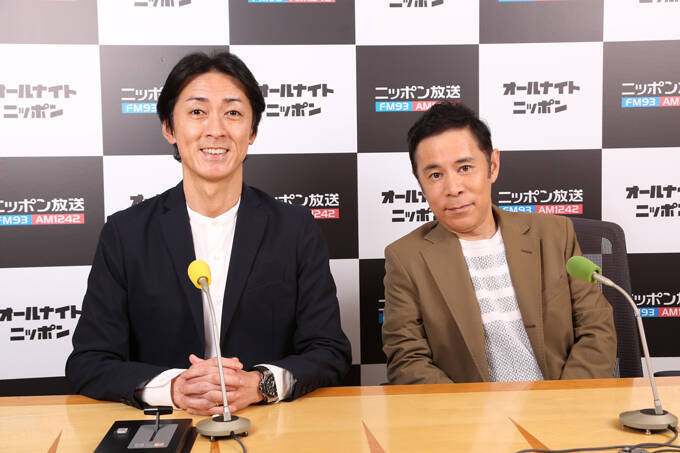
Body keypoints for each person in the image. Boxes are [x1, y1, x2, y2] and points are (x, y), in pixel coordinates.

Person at [66, 52, 351, 415]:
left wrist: (259, 384)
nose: (215, 129)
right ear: (169, 128)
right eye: (197, 112)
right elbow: (89, 362)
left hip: (267, 425)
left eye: (232, 113)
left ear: (252, 131)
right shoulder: (126, 233)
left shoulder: (295, 229)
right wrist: (173, 388)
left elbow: (329, 351)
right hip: (168, 426)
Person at [382, 102, 616, 384]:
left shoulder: (555, 234)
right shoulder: (406, 258)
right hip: (468, 409)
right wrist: (473, 409)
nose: (453, 188)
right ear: (419, 182)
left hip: (560, 401)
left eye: (465, 168)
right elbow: (407, 360)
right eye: (435, 175)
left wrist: (561, 402)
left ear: (492, 166)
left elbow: (597, 328)